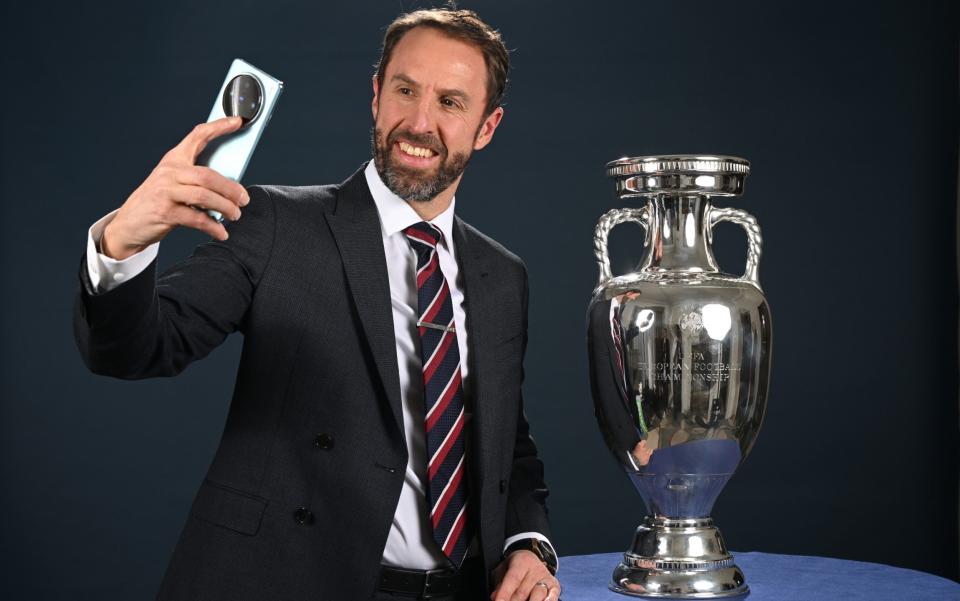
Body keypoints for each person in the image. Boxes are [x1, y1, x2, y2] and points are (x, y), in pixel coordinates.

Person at [73, 8, 560, 601]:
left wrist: (528, 544)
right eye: (405, 90)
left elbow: (508, 446)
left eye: (451, 103)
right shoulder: (274, 222)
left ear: (486, 127)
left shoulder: (502, 275)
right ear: (376, 95)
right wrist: (123, 243)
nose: (420, 122)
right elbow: (143, 347)